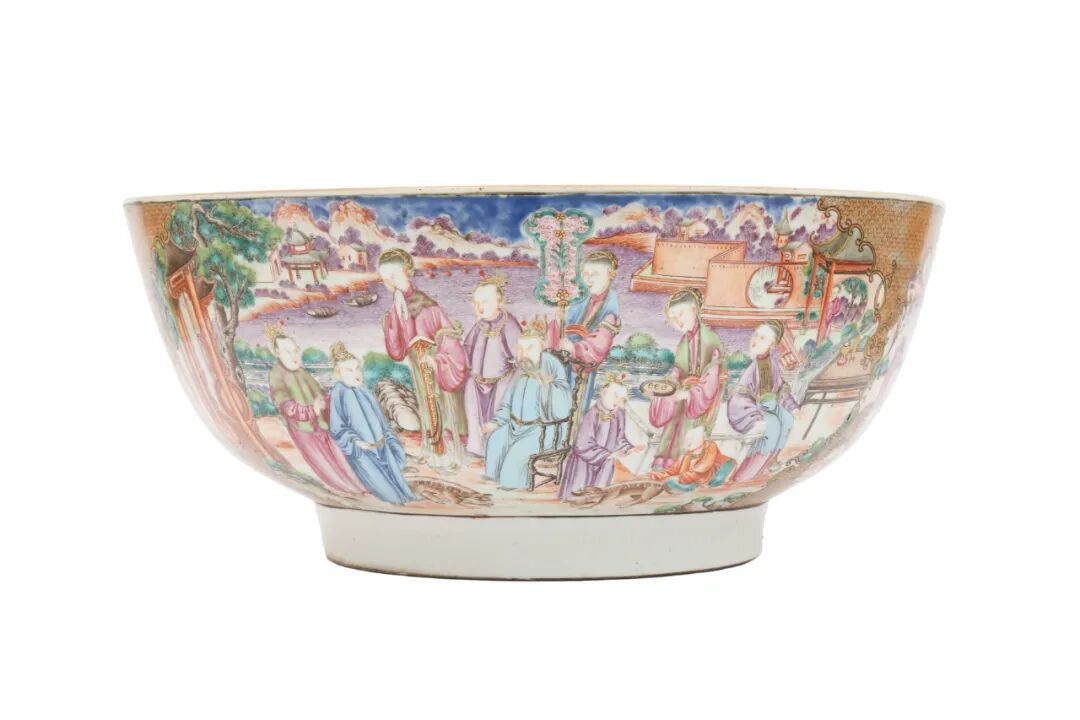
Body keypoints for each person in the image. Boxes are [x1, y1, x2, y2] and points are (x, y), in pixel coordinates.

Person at [377, 248, 467, 472]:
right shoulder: (398, 304)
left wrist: (437, 360)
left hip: (438, 368)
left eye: (394, 276)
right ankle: (432, 450)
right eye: (386, 280)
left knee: (441, 409)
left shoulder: (427, 305)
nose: (391, 283)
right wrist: (393, 319)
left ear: (407, 272)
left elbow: (450, 340)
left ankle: (448, 455)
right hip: (419, 368)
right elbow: (397, 350)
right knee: (427, 408)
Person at [266, 325, 366, 498]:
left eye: (295, 351)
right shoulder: (277, 374)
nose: (294, 356)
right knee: (324, 462)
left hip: (321, 424)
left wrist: (334, 401)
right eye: (287, 352)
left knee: (339, 456)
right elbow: (285, 405)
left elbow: (320, 394)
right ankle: (347, 490)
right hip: (304, 429)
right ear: (277, 353)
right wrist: (311, 410)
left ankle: (357, 485)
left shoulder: (302, 373)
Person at [484, 318, 573, 490]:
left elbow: (563, 404)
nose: (524, 354)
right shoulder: (520, 369)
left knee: (516, 456)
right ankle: (492, 478)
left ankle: (512, 487)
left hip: (542, 431)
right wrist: (496, 422)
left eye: (530, 348)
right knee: (496, 439)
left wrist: (545, 384)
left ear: (541, 346)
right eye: (521, 349)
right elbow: (507, 402)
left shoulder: (552, 364)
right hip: (515, 427)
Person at [327, 342, 416, 505]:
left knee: (401, 489)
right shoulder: (338, 393)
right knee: (387, 493)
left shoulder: (364, 391)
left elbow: (381, 421)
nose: (356, 374)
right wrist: (357, 442)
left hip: (383, 448)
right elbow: (337, 427)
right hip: (363, 454)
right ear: (338, 372)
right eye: (349, 370)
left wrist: (390, 441)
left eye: (357, 369)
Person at [648, 288, 728, 470]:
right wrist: (666, 386)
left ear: (694, 309)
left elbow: (712, 378)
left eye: (680, 314)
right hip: (685, 395)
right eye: (673, 318)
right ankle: (663, 462)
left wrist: (690, 395)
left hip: (703, 401)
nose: (677, 321)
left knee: (687, 432)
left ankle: (681, 467)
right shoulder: (684, 341)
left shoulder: (709, 339)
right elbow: (678, 370)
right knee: (672, 422)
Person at [547, 249, 621, 415]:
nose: (589, 279)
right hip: (564, 364)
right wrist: (559, 321)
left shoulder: (610, 307)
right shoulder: (582, 299)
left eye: (595, 274)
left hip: (581, 370)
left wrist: (574, 349)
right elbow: (563, 324)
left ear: (610, 275)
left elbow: (600, 343)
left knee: (573, 412)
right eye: (586, 274)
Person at [727, 320, 799, 485]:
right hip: (757, 409)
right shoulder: (752, 368)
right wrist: (755, 417)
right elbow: (740, 396)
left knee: (788, 420)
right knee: (771, 425)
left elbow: (781, 387)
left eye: (762, 338)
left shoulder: (773, 364)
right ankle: (746, 474)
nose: (755, 340)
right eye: (756, 335)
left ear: (772, 345)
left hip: (773, 405)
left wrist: (793, 407)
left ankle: (769, 464)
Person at [461, 273, 519, 458]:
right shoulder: (479, 326)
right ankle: (476, 449)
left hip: (501, 381)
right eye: (476, 303)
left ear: (499, 301)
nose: (480, 307)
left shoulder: (509, 324)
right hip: (476, 381)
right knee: (473, 413)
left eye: (484, 302)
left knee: (497, 416)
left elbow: (520, 357)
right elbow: (466, 351)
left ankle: (497, 452)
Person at [559, 376, 642, 500]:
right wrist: (607, 455)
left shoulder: (619, 413)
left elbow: (620, 437)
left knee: (599, 492)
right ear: (604, 392)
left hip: (606, 461)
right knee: (579, 493)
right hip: (585, 462)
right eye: (615, 396)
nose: (617, 401)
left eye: (621, 398)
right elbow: (582, 444)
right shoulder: (591, 414)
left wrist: (629, 448)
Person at [649, 426, 735, 493]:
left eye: (690, 443)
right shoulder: (687, 452)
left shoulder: (710, 446)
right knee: (673, 482)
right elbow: (674, 469)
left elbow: (703, 467)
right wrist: (660, 475)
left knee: (715, 482)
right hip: (695, 476)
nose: (687, 446)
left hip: (721, 467)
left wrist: (679, 478)